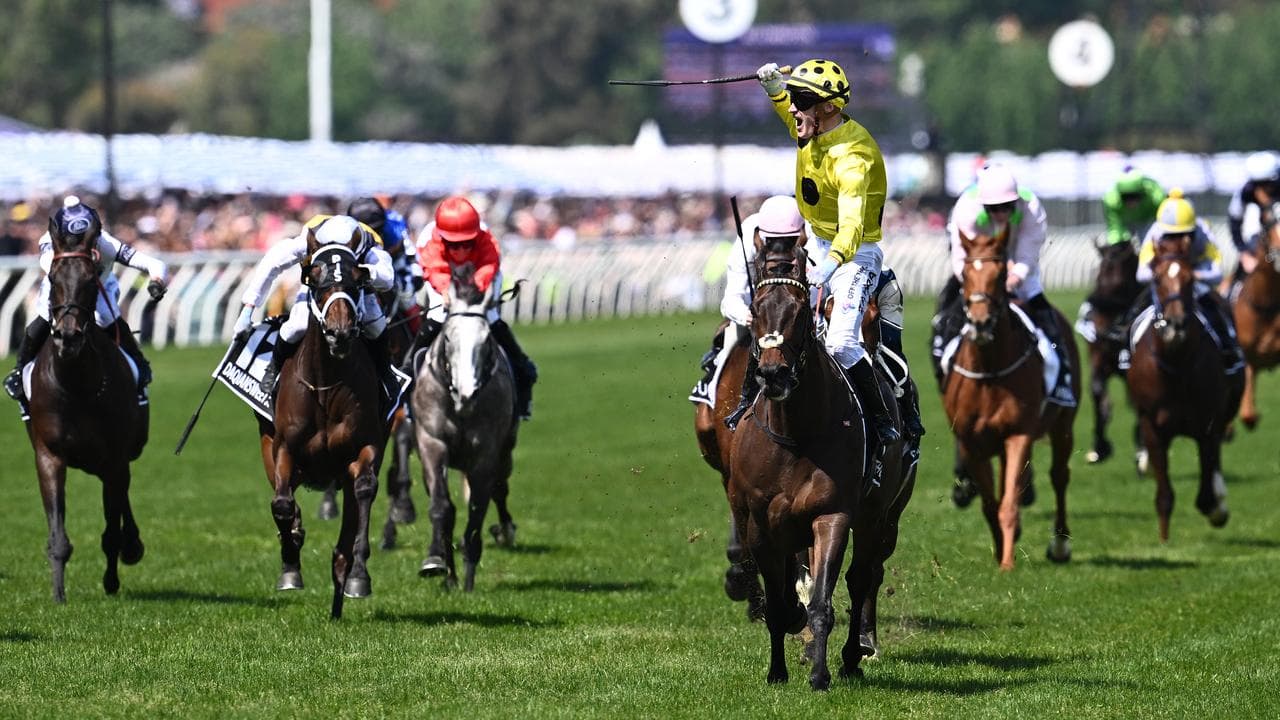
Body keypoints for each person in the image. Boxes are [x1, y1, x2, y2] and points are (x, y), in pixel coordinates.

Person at [749, 58, 899, 445]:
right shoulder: (814, 125)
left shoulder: (853, 158)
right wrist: (774, 89)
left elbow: (852, 223)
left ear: (829, 106)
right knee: (779, 320)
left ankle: (883, 422)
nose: (794, 107)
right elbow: (791, 117)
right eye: (794, 99)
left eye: (801, 99)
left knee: (839, 343)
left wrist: (831, 264)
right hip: (814, 242)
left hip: (853, 255)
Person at [4, 197, 168, 406]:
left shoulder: (106, 243)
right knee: (45, 317)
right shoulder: (48, 240)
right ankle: (19, 370)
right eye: (75, 239)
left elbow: (153, 264)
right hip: (62, 285)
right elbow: (47, 264)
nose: (81, 243)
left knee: (107, 317)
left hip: (98, 286)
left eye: (86, 238)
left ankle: (139, 363)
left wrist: (156, 281)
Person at [943, 163, 1076, 406]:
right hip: (979, 274)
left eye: (1006, 206)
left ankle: (1063, 379)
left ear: (1015, 201)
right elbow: (961, 260)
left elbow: (1027, 256)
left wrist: (1012, 279)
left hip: (1018, 269)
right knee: (944, 321)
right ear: (984, 205)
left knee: (1048, 320)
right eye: (994, 208)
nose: (1001, 213)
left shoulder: (1032, 208)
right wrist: (983, 286)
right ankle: (944, 370)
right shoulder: (965, 209)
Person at [231, 214, 395, 396]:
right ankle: (273, 369)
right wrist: (247, 311)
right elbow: (271, 265)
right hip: (321, 284)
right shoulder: (308, 240)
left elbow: (387, 279)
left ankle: (385, 373)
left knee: (375, 324)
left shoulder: (370, 244)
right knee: (297, 325)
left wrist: (366, 272)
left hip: (354, 284)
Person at [412, 195, 538, 420]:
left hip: (478, 275)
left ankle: (522, 367)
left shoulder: (486, 237)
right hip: (442, 276)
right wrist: (445, 290)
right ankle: (407, 372)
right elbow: (436, 268)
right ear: (442, 238)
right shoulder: (429, 239)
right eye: (453, 244)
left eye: (467, 243)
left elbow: (488, 265)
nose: (460, 250)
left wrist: (475, 290)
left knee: (488, 315)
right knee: (439, 313)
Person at [1120, 189, 1243, 373]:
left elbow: (1216, 271)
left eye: (1185, 234)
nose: (1178, 240)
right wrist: (1166, 275)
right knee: (1135, 310)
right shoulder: (1155, 233)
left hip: (1194, 281)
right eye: (1171, 236)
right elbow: (1142, 273)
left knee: (1218, 308)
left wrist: (1192, 275)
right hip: (1165, 284)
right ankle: (1125, 351)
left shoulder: (1203, 231)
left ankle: (1229, 349)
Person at [346, 197, 425, 335]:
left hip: (395, 265)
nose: (374, 236)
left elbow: (410, 254)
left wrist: (416, 273)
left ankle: (418, 340)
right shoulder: (344, 232)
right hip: (361, 268)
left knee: (406, 296)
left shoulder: (395, 226)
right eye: (368, 231)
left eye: (377, 230)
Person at [1225, 150, 1280, 287]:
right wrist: (1244, 253)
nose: (1264, 189)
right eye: (1259, 184)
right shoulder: (1245, 192)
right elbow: (1235, 223)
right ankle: (1231, 292)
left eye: (1268, 184)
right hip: (1260, 238)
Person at [1102, 167, 1165, 247]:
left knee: (1149, 243)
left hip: (1148, 221)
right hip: (1125, 223)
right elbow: (1115, 228)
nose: (1131, 201)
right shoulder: (1111, 200)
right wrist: (1118, 244)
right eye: (1126, 197)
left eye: (1135, 196)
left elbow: (1162, 221)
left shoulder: (1156, 196)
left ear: (1142, 192)